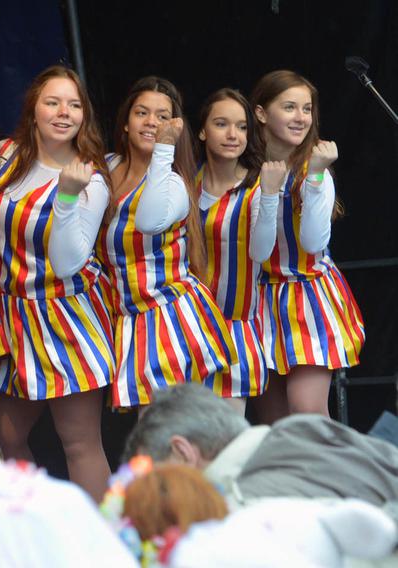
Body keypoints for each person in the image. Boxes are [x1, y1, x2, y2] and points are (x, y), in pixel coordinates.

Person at [0, 65, 114, 499]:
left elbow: (71, 260)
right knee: (2, 433)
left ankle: (107, 548)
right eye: (53, 102)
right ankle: (36, 529)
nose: (64, 113)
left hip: (66, 318)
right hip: (13, 319)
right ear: (33, 109)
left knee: (78, 442)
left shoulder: (88, 177)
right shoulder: (3, 156)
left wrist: (69, 194)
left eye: (74, 105)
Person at [96, 76, 236, 409]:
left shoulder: (172, 184)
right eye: (142, 113)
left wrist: (163, 150)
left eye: (162, 116)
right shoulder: (108, 166)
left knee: (161, 431)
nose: (151, 123)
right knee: (160, 434)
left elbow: (148, 222)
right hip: (128, 316)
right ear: (126, 123)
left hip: (167, 315)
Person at [250, 70, 365, 420]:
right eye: (289, 107)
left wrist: (315, 176)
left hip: (306, 296)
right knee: (274, 422)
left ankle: (338, 476)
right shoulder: (245, 171)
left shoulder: (314, 171)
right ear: (260, 114)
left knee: (307, 411)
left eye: (307, 108)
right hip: (259, 300)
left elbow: (314, 243)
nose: (301, 117)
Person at [123, 383, 398, 512]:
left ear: (183, 452)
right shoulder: (303, 429)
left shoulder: (243, 509)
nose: (166, 500)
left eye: (163, 484)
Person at [196, 88, 284, 413]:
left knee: (225, 441)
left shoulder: (257, 188)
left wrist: (272, 193)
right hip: (185, 327)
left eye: (242, 126)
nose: (233, 135)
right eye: (221, 124)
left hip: (234, 329)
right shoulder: (185, 184)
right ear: (202, 130)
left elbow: (261, 252)